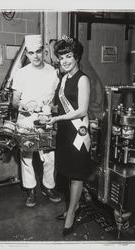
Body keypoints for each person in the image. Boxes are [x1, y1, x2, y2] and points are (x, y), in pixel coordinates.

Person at [48, 36, 92, 236]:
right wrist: (48, 109)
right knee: (65, 172)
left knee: (76, 174)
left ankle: (72, 214)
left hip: (78, 133)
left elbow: (81, 110)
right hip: (65, 132)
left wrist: (57, 118)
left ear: (77, 57)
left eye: (68, 56)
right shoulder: (64, 78)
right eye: (61, 57)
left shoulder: (83, 79)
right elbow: (61, 104)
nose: (64, 61)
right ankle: (72, 206)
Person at [12, 34, 61, 207]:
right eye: (31, 53)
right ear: (26, 53)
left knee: (49, 157)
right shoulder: (21, 73)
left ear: (44, 51)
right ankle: (31, 190)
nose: (35, 56)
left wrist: (51, 110)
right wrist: (24, 107)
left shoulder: (53, 72)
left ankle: (48, 187)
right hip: (26, 120)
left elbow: (56, 100)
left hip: (46, 120)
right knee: (27, 156)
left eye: (38, 52)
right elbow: (14, 101)